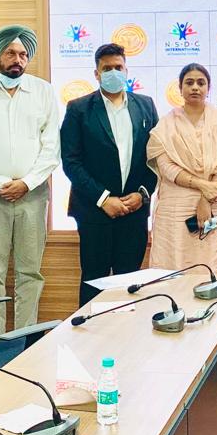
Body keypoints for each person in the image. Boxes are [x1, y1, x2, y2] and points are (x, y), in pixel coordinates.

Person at [0, 25, 59, 335]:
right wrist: (0, 183)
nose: (17, 59)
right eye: (10, 53)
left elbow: (51, 148)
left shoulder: (44, 92)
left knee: (30, 273)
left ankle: (26, 339)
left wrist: (26, 183)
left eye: (23, 54)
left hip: (33, 195)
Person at [60, 42, 158, 307]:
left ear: (126, 71)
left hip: (134, 212)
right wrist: (103, 199)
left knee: (130, 284)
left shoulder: (145, 106)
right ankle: (90, 332)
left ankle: (127, 334)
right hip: (94, 212)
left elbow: (155, 158)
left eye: (118, 67)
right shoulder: (78, 108)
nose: (113, 73)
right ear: (96, 73)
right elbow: (71, 162)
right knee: (94, 282)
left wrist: (142, 195)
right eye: (107, 69)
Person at [147, 63, 217, 275]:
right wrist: (202, 185)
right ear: (180, 88)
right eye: (189, 82)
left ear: (208, 88)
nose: (195, 87)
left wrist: (206, 198)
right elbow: (165, 165)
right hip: (176, 207)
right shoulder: (166, 124)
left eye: (201, 83)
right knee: (176, 264)